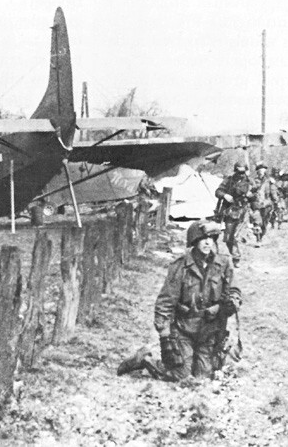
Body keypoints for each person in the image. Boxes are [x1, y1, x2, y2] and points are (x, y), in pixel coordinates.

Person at [117, 221, 242, 381]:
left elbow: (234, 290)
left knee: (202, 376)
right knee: (181, 375)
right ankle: (144, 360)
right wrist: (165, 336)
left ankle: (205, 359)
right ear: (194, 241)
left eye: (211, 239)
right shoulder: (181, 266)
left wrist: (232, 301)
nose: (207, 243)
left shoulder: (223, 264)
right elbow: (165, 302)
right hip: (184, 330)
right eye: (203, 239)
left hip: (209, 331)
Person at [214, 161, 255, 267]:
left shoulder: (250, 182)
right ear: (235, 171)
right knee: (228, 237)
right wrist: (225, 195)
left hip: (244, 211)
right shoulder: (229, 180)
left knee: (237, 236)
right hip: (231, 211)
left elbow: (256, 196)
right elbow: (218, 191)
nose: (241, 174)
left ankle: (236, 258)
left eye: (243, 172)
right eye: (238, 172)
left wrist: (251, 196)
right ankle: (235, 256)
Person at [250, 162, 278, 243]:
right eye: (260, 171)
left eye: (263, 170)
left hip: (267, 205)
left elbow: (273, 192)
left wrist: (275, 201)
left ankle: (261, 237)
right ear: (257, 172)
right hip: (256, 203)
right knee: (257, 221)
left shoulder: (270, 181)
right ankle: (258, 239)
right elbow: (250, 191)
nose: (261, 172)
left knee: (264, 223)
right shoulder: (253, 181)